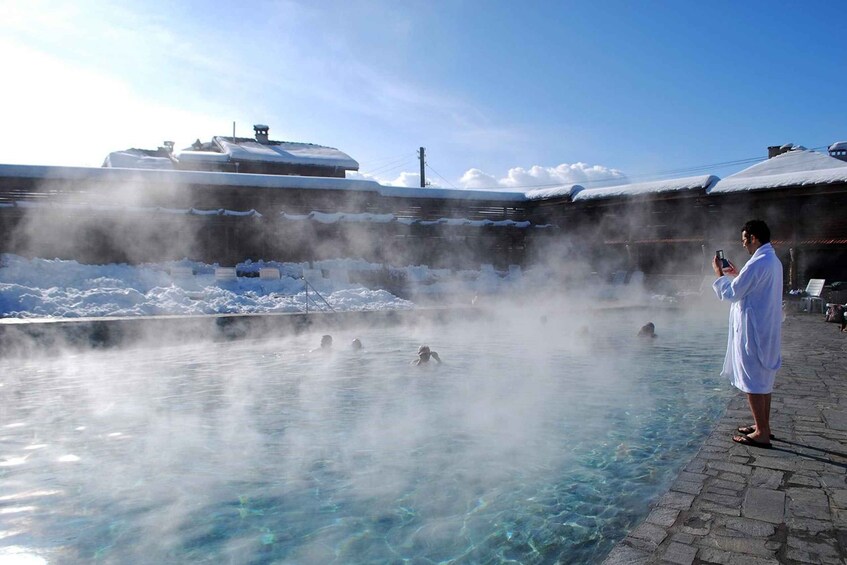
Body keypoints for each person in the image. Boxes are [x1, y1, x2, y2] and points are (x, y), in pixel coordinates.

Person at [712, 220, 782, 449]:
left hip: (753, 332)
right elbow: (752, 286)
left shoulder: (758, 262)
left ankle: (761, 433)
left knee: (753, 381)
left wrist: (720, 275)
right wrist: (737, 273)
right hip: (765, 328)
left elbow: (733, 293)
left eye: (744, 240)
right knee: (764, 381)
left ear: (753, 237)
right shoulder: (771, 260)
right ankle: (762, 426)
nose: (743, 245)